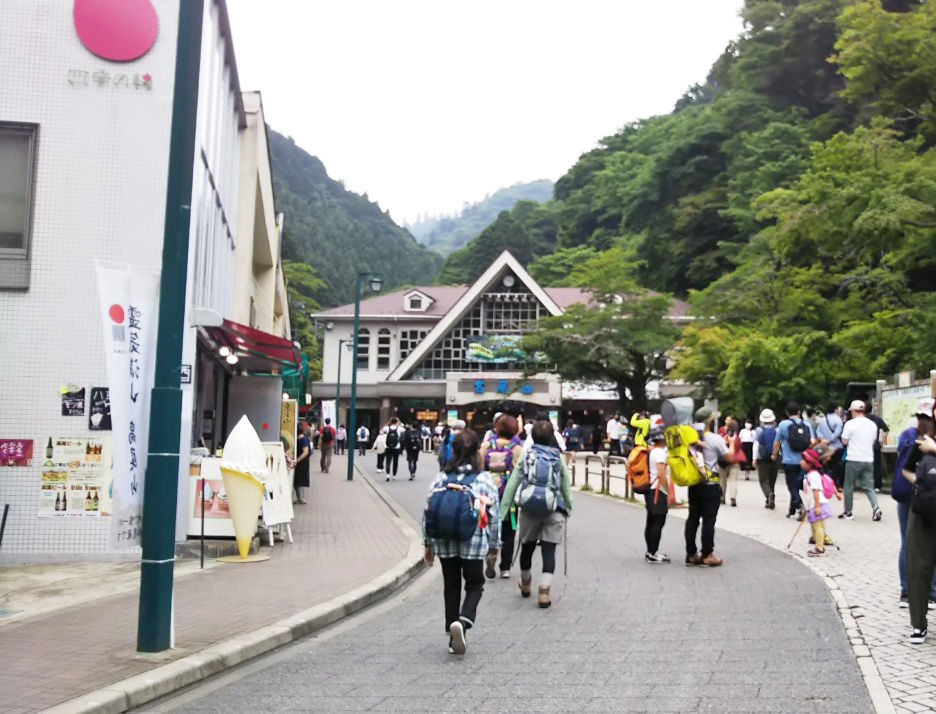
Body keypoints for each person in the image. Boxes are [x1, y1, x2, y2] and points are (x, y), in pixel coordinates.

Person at [422, 429, 500, 655]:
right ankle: (463, 623)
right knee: (475, 585)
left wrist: (428, 544)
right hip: (473, 541)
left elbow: (427, 512)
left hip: (444, 541)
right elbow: (494, 517)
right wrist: (494, 545)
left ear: (452, 451)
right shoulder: (484, 479)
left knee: (451, 586)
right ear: (477, 451)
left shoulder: (441, 478)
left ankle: (451, 630)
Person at [500, 420, 573, 608]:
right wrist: (569, 506)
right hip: (553, 507)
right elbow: (565, 483)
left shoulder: (526, 455)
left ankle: (525, 583)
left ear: (531, 436)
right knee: (549, 551)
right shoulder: (557, 456)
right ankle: (544, 590)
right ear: (552, 437)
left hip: (529, 507)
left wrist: (503, 510)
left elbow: (513, 483)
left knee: (527, 548)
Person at [893, 398, 936, 608]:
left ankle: (906, 592)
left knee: (906, 544)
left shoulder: (908, 435)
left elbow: (901, 460)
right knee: (930, 544)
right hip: (930, 498)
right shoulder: (932, 440)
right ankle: (931, 591)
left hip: (906, 494)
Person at [901, 419, 936, 644]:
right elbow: (905, 469)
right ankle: (918, 624)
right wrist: (922, 486)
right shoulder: (922, 441)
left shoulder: (930, 445)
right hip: (923, 512)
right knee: (918, 569)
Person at [479, 414, 524, 579]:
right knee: (510, 530)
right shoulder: (516, 449)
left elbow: (478, 468)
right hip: (509, 498)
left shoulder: (485, 445)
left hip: (487, 495)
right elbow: (522, 473)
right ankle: (505, 567)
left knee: (486, 526)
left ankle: (490, 555)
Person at [686, 408, 725, 567]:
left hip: (694, 484)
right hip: (710, 484)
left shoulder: (689, 437)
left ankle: (691, 554)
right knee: (708, 521)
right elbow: (727, 455)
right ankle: (707, 554)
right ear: (709, 421)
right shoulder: (714, 439)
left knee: (693, 518)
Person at [840, 400, 883, 521]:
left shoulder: (850, 424)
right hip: (868, 459)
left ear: (853, 411)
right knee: (869, 486)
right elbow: (873, 440)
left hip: (853, 458)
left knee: (848, 486)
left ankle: (848, 512)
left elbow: (844, 441)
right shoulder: (872, 425)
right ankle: (876, 507)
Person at [773, 401, 816, 519]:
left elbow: (777, 441)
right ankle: (791, 509)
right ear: (799, 412)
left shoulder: (783, 424)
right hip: (804, 460)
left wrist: (774, 454)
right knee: (796, 484)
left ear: (787, 412)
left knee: (791, 485)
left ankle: (799, 506)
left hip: (789, 460)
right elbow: (812, 441)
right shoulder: (806, 424)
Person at [643, 427, 670, 563]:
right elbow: (661, 474)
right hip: (658, 491)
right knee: (658, 522)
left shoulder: (651, 451)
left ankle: (650, 551)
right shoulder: (660, 453)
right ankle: (653, 553)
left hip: (650, 489)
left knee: (651, 522)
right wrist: (669, 492)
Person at [800, 448, 834, 557]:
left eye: (803, 460)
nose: (801, 462)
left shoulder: (813, 475)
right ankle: (816, 540)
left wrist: (816, 507)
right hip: (813, 504)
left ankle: (820, 547)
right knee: (815, 526)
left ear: (810, 463)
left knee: (818, 526)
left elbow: (816, 492)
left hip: (817, 504)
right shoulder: (810, 474)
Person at [753, 409, 778, 509]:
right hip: (775, 457)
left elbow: (756, 444)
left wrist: (754, 458)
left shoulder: (759, 430)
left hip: (763, 458)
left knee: (763, 480)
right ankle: (770, 498)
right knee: (772, 479)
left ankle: (769, 495)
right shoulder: (777, 430)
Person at [816, 402, 844, 486]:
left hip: (825, 447)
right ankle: (834, 483)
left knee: (825, 465)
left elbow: (818, 431)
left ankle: (825, 481)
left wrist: (822, 439)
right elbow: (838, 432)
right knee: (836, 465)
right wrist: (830, 440)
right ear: (835, 409)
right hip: (836, 447)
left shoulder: (823, 419)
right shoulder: (838, 419)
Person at [866, 403, 890, 492]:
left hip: (863, 446)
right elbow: (886, 429)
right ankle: (877, 486)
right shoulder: (877, 419)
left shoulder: (861, 420)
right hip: (875, 445)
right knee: (877, 466)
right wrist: (882, 440)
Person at [720, 419, 744, 507]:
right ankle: (733, 498)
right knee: (733, 480)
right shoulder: (737, 437)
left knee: (722, 479)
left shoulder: (724, 436)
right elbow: (740, 448)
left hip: (724, 461)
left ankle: (722, 497)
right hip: (735, 461)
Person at [293, 421, 311, 504]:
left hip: (302, 463)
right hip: (302, 463)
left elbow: (305, 452)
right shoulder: (303, 439)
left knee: (299, 480)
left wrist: (296, 460)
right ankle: (300, 498)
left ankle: (301, 498)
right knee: (298, 480)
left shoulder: (303, 440)